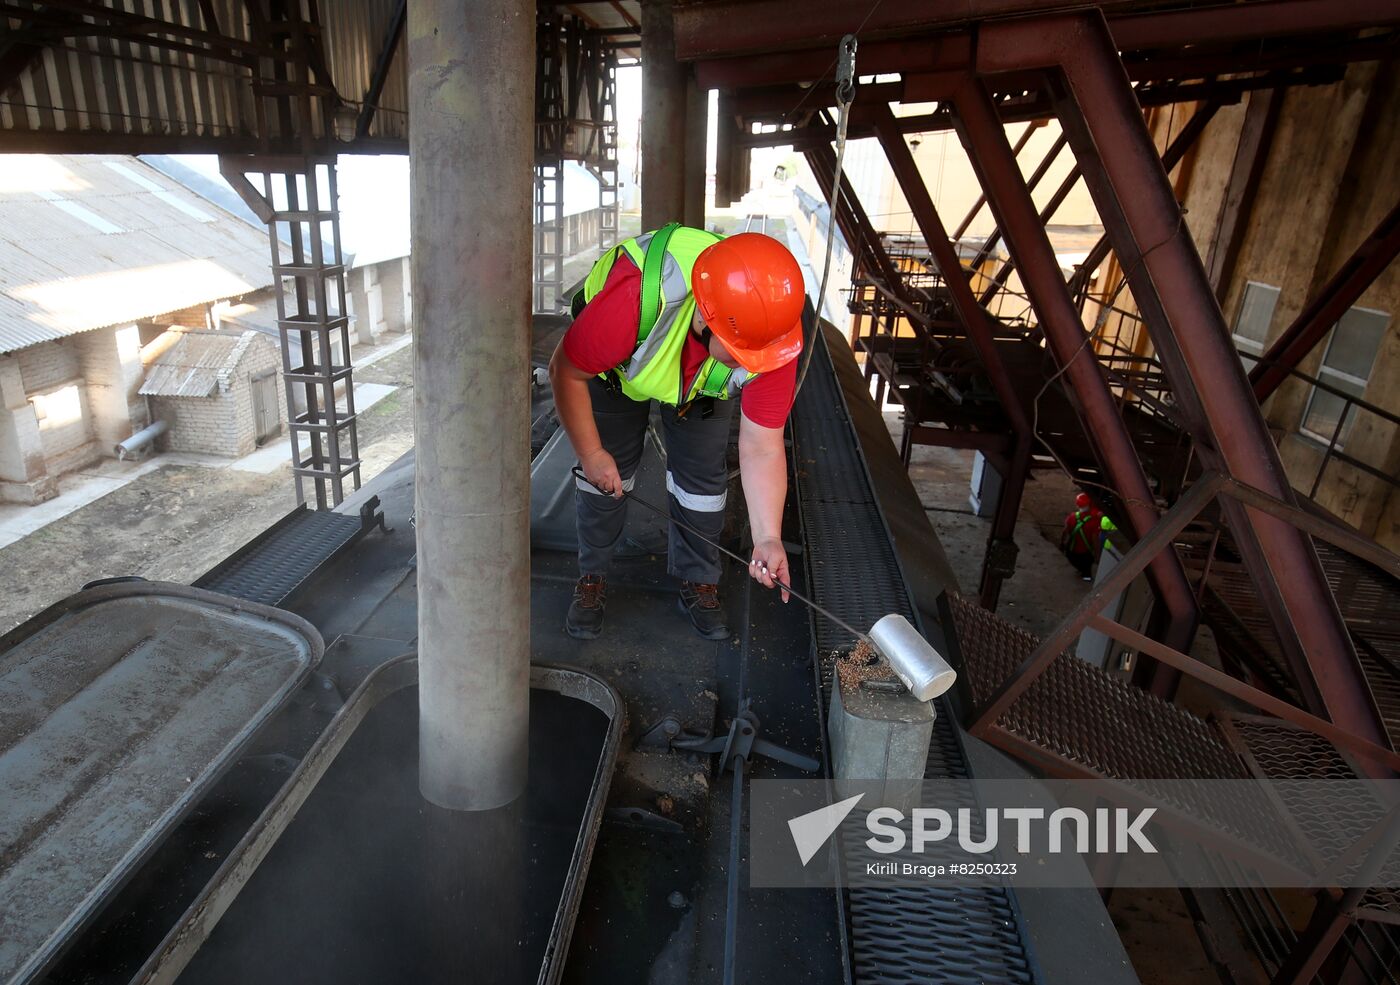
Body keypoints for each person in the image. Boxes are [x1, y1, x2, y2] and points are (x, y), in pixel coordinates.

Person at [548, 224, 806, 641]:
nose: (753, 367)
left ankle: (697, 579)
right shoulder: (637, 298)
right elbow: (566, 371)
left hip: (698, 387)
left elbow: (762, 447)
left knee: (702, 485)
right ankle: (591, 576)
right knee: (604, 479)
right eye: (743, 354)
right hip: (618, 371)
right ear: (706, 317)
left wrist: (768, 537)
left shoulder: (770, 335)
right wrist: (592, 453)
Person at [1060, 492, 1102, 580]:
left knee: (1076, 563)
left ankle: (1080, 570)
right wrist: (1097, 556)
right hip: (1085, 553)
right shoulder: (1094, 522)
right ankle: (1086, 579)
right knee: (1086, 571)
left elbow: (1065, 532)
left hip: (1071, 551)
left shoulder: (1072, 517)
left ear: (1077, 504)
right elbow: (1095, 541)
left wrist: (1062, 544)